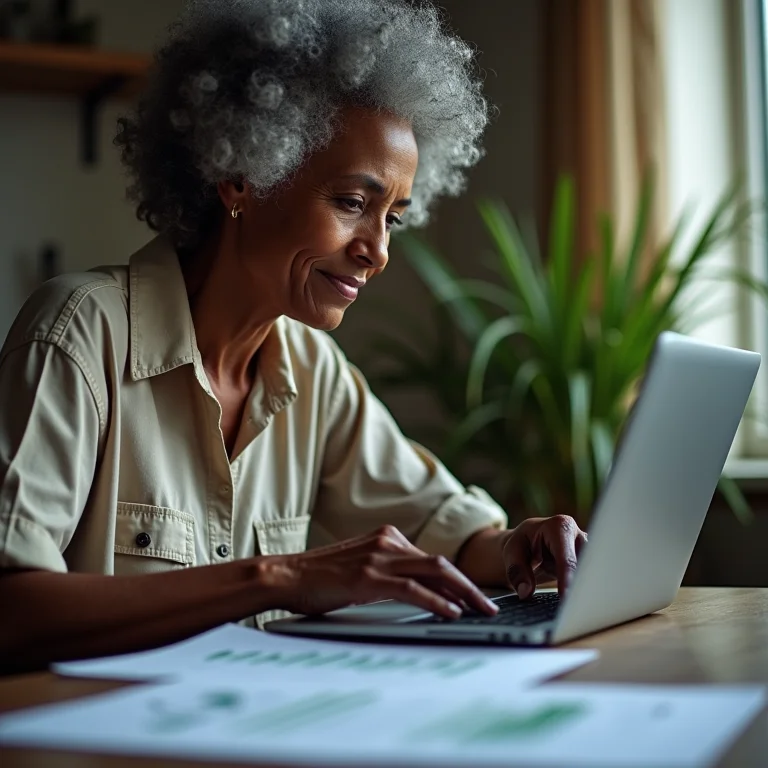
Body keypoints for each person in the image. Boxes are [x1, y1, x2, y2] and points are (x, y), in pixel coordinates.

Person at [0, 0, 586, 672]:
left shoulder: (313, 370)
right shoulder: (78, 335)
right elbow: (12, 612)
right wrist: (281, 578)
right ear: (241, 177)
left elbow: (450, 535)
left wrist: (522, 545)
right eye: (351, 203)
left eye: (393, 217)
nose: (378, 251)